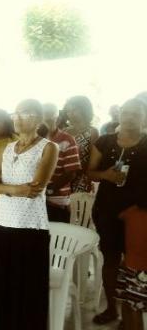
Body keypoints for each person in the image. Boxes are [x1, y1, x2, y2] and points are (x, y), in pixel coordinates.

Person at [0, 99, 59, 330]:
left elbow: (35, 189)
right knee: (3, 285)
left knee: (28, 287)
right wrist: (14, 189)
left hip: (30, 227)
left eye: (22, 114)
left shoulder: (48, 147)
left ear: (36, 118)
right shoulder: (7, 148)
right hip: (4, 224)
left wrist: (3, 187)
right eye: (14, 113)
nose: (15, 118)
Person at [87, 98, 147, 325]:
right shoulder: (105, 141)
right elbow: (90, 172)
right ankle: (112, 308)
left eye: (135, 113)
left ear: (144, 117)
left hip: (140, 215)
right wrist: (106, 175)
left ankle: (133, 313)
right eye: (125, 112)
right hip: (108, 212)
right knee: (110, 260)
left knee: (136, 265)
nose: (129, 116)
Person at [41, 103, 82, 223]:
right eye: (40, 120)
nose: (43, 123)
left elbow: (71, 172)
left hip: (56, 201)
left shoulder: (67, 140)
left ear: (57, 120)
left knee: (56, 238)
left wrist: (49, 190)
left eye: (48, 119)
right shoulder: (32, 140)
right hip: (33, 200)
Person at [116, 188, 147, 330]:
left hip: (130, 268)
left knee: (132, 306)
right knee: (136, 307)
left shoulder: (131, 213)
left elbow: (121, 215)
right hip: (141, 269)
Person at [64, 95, 99, 193]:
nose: (70, 114)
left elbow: (93, 162)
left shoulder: (92, 132)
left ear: (84, 110)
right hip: (63, 179)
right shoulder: (64, 131)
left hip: (81, 179)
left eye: (74, 110)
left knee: (78, 207)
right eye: (68, 111)